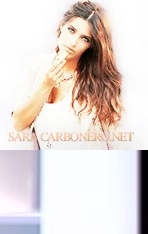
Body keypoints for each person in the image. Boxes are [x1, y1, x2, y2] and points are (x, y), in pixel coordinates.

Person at [10, 1, 124, 149]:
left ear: (91, 46)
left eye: (85, 38)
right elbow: (18, 123)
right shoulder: (36, 65)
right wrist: (46, 85)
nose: (73, 42)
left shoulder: (98, 82)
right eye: (71, 30)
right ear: (62, 26)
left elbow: (117, 142)